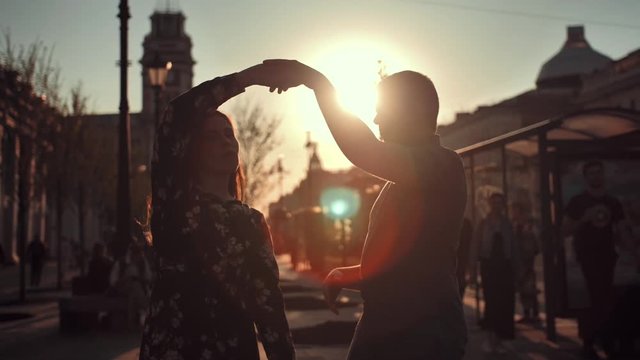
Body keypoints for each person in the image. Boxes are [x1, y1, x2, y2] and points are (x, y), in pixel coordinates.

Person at [268, 60, 468, 359]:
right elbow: (403, 263)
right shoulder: (401, 180)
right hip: (390, 329)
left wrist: (318, 83)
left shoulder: (443, 164)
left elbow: (364, 148)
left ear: (409, 111)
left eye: (382, 110)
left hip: (420, 334)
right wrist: (346, 274)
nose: (376, 120)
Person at [138, 64, 295, 360]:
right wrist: (252, 78)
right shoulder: (174, 206)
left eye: (228, 134)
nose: (225, 142)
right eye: (211, 137)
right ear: (190, 149)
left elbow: (269, 308)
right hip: (173, 351)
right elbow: (177, 114)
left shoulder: (251, 222)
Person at [563, 160, 625, 359]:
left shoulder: (612, 202)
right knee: (588, 302)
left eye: (598, 173)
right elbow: (564, 230)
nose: (595, 176)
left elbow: (623, 230)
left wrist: (634, 253)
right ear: (585, 177)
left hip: (608, 258)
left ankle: (608, 341)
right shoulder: (577, 202)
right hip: (584, 258)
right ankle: (588, 343)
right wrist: (583, 219)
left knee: (607, 300)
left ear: (603, 175)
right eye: (591, 173)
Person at [471, 192, 517, 353]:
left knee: (505, 302)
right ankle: (491, 338)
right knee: (492, 301)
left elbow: (513, 247)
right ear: (491, 205)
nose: (497, 206)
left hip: (505, 267)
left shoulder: (507, 224)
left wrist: (516, 269)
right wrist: (472, 270)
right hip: (489, 266)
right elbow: (476, 247)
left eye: (500, 203)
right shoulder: (484, 224)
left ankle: (501, 338)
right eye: (495, 203)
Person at [511, 202, 540, 324]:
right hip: (520, 260)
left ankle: (533, 313)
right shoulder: (515, 224)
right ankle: (528, 313)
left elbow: (533, 244)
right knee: (524, 288)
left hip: (526, 260)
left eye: (515, 211)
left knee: (528, 287)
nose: (514, 213)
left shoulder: (527, 225)